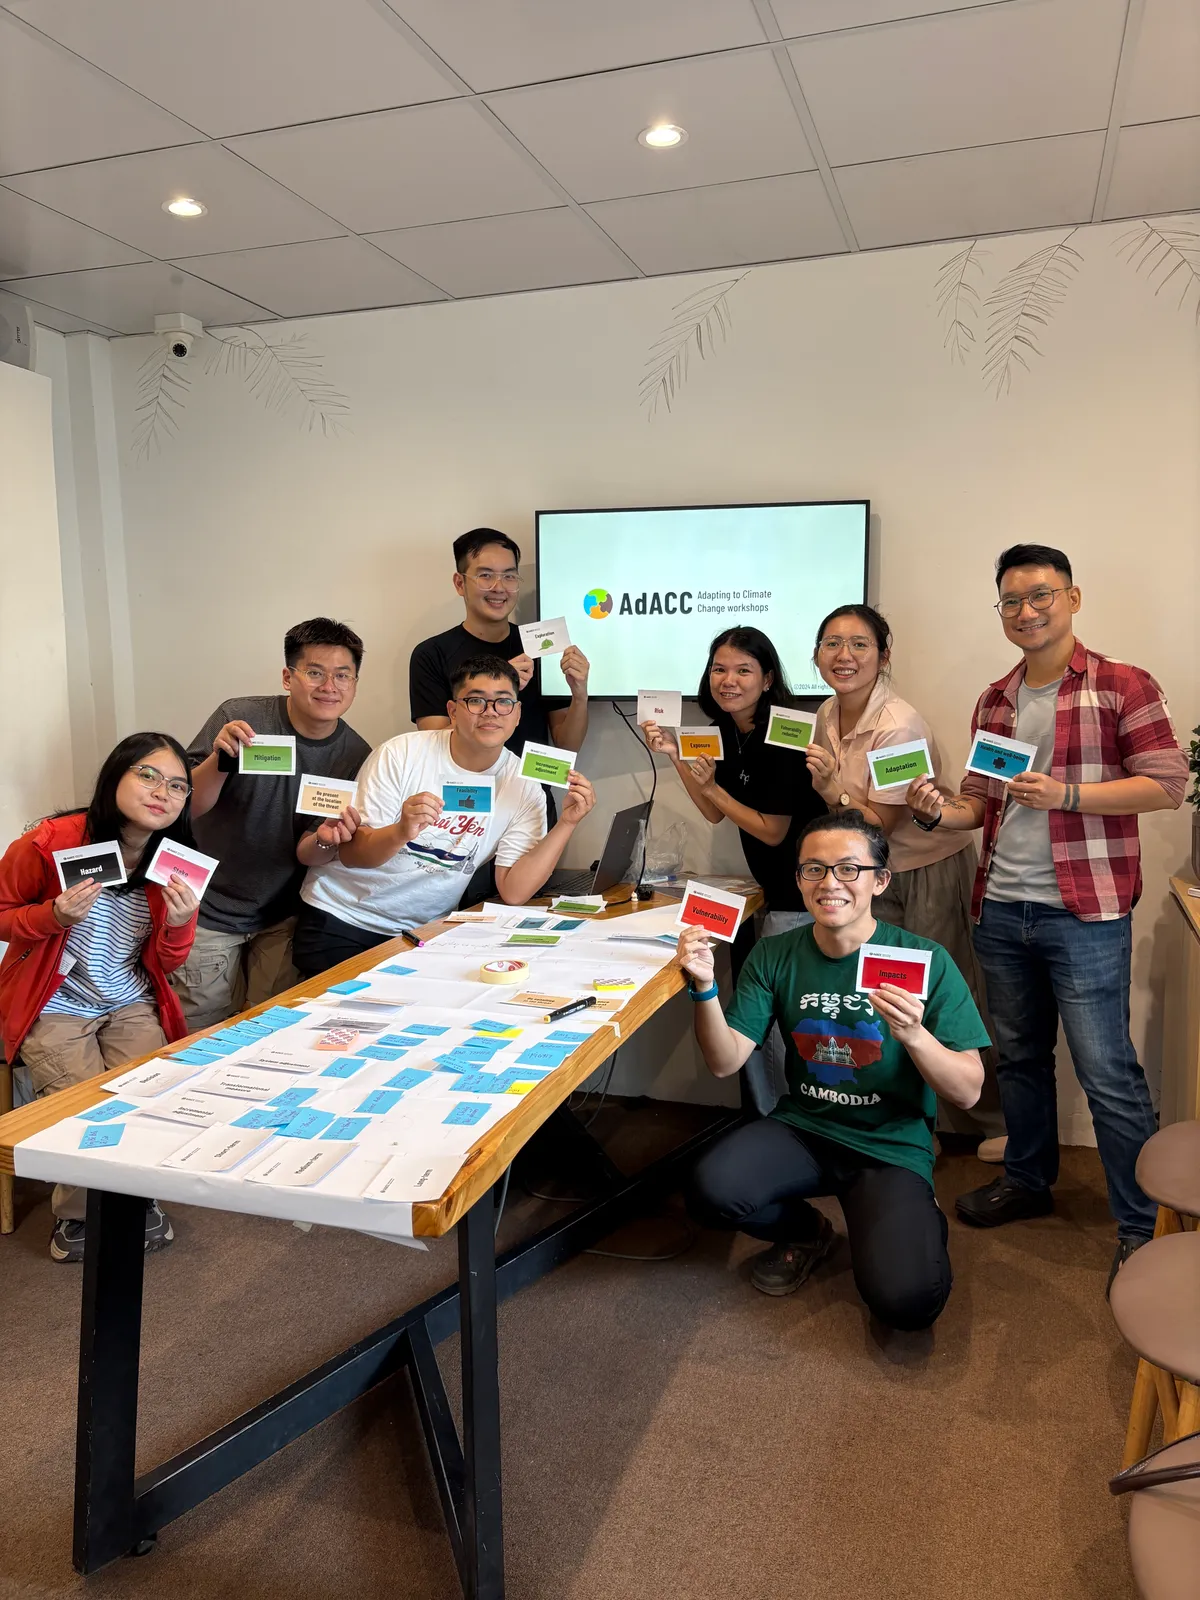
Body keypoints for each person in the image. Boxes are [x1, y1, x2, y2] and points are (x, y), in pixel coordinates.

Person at [907, 544, 1188, 1291]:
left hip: (1084, 910)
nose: (1026, 612)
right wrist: (938, 810)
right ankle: (1028, 1180)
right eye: (1010, 601)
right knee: (1022, 1059)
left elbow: (1166, 785)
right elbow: (978, 803)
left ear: (1073, 598)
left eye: (1040, 596)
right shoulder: (995, 699)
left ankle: (1141, 1228)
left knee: (1108, 1074)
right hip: (1002, 907)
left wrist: (1066, 795)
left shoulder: (1120, 684)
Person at [683, 812, 989, 1332]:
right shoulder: (774, 954)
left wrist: (915, 1035)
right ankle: (808, 1232)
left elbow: (968, 1091)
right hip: (806, 1128)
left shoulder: (924, 959)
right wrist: (704, 988)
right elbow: (725, 1059)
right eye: (814, 870)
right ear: (798, 879)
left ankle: (913, 1215)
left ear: (880, 880)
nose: (830, 884)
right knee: (710, 1190)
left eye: (849, 869)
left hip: (889, 1144)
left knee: (907, 1302)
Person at [805, 603, 1006, 1154]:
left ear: (883, 655)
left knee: (945, 993)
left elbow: (880, 824)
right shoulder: (827, 712)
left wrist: (830, 793)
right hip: (876, 875)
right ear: (817, 655)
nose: (844, 656)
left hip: (927, 870)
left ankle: (992, 1124)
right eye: (832, 644)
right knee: (880, 995)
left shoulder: (898, 724)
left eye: (860, 645)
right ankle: (913, 1122)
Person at [0, 733, 201, 1263]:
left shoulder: (177, 862)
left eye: (178, 786)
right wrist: (52, 917)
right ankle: (77, 1216)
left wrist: (180, 925)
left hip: (127, 997)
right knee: (84, 1104)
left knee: (150, 1091)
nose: (163, 792)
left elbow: (169, 961)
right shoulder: (51, 843)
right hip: (56, 1001)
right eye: (148, 775)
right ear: (115, 776)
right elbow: (3, 914)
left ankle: (136, 1198)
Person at [293, 655, 596, 975]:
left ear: (517, 714)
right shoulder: (401, 753)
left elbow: (514, 890)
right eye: (476, 700)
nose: (491, 712)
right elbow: (353, 854)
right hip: (341, 920)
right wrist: (400, 831)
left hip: (421, 935)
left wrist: (567, 823)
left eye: (503, 702)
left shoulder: (524, 788)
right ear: (453, 711)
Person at [641, 626, 824, 1114]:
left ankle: (784, 1124)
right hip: (772, 893)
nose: (728, 680)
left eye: (743, 670)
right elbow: (713, 812)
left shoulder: (787, 730)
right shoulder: (721, 730)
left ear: (767, 679)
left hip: (803, 897)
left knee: (782, 1023)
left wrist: (716, 789)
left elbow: (771, 831)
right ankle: (768, 1121)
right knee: (761, 1016)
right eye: (719, 668)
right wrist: (676, 755)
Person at [172, 618, 371, 1030]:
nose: (329, 686)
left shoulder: (355, 753)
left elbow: (308, 847)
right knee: (197, 1034)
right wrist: (221, 760)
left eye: (342, 676)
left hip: (281, 916)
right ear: (288, 676)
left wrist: (327, 840)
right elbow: (184, 806)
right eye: (314, 672)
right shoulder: (241, 718)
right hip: (209, 908)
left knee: (268, 1029)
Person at [409, 527, 591, 759]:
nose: (499, 587)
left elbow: (567, 746)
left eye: (509, 576)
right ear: (459, 583)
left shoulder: (540, 646)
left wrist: (580, 695)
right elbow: (432, 746)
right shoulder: (431, 654)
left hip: (532, 790)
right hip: (465, 792)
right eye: (485, 576)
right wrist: (500, 688)